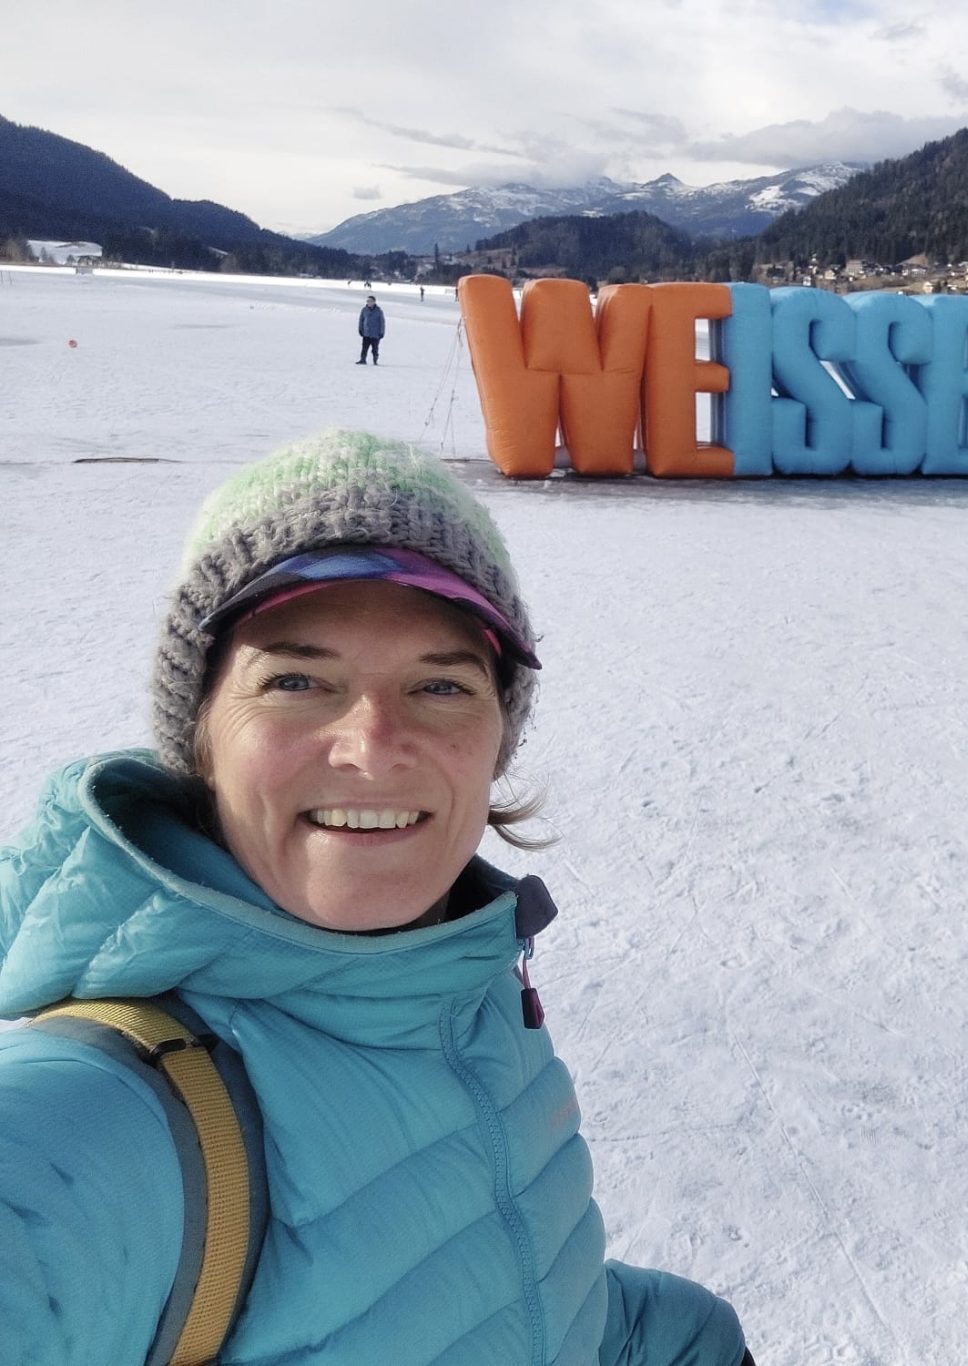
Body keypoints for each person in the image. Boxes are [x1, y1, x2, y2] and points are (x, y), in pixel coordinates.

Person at [0, 431, 753, 1366]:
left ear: (495, 740)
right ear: (198, 735)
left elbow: (496, 1292)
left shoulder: (459, 982)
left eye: (440, 685)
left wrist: (691, 1342)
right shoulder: (100, 1116)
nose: (371, 744)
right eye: (297, 681)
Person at [358, 294, 386, 364]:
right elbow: (361, 320)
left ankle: (375, 360)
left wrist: (381, 332)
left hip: (375, 334)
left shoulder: (379, 311)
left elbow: (382, 322)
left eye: (370, 301)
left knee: (375, 349)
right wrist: (360, 329)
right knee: (364, 348)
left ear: (374, 302)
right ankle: (363, 359)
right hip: (366, 333)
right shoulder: (364, 310)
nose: (368, 303)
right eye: (367, 301)